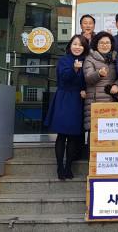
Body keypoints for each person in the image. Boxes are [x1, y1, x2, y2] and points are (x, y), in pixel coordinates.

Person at [44, 35, 89, 180]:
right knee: (62, 135)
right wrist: (74, 69)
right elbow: (63, 78)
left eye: (80, 45)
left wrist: (84, 89)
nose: (77, 47)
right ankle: (60, 167)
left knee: (73, 136)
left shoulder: (87, 60)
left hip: (78, 99)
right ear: (70, 46)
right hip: (64, 98)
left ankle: (69, 167)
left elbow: (87, 80)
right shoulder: (64, 60)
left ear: (84, 47)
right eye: (75, 44)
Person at [82, 31, 118, 134]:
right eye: (101, 43)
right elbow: (88, 78)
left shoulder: (115, 58)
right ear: (96, 44)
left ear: (111, 45)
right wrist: (99, 74)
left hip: (112, 102)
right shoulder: (90, 59)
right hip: (95, 102)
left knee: (110, 135)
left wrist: (117, 85)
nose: (105, 45)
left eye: (107, 43)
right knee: (94, 135)